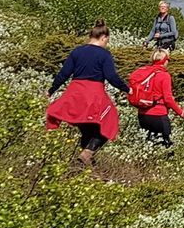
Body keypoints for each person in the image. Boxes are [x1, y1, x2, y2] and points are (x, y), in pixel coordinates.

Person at [45, 22, 129, 167]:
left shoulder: (77, 52)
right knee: (109, 120)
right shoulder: (104, 54)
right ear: (103, 37)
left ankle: (84, 167)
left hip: (74, 92)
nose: (107, 43)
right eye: (107, 40)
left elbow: (64, 73)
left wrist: (51, 90)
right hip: (93, 93)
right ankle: (87, 154)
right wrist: (127, 89)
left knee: (87, 128)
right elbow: (111, 76)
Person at [127, 49, 184, 149]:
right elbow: (168, 99)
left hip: (142, 115)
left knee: (147, 147)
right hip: (159, 115)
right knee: (166, 148)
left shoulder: (144, 72)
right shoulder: (164, 75)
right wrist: (181, 113)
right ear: (165, 61)